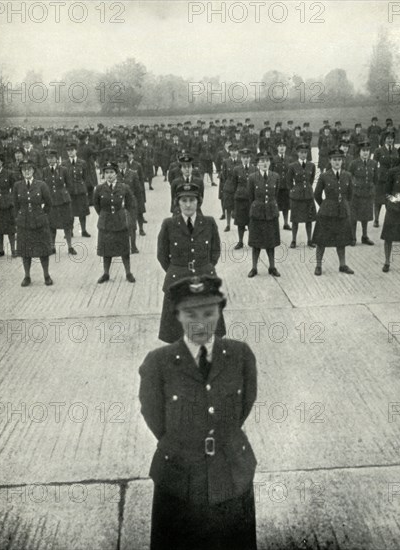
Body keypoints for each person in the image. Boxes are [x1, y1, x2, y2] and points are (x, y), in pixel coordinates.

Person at [139, 274, 258, 550]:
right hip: (179, 480)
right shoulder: (158, 363)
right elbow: (154, 416)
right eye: (190, 313)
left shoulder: (240, 355)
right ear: (177, 316)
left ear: (219, 313)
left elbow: (244, 405)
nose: (200, 322)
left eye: (209, 312)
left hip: (231, 475)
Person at [157, 182, 225, 343]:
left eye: (192, 200)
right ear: (177, 203)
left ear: (198, 202)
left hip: (204, 276)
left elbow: (215, 251)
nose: (188, 204)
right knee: (176, 331)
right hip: (177, 277)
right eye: (184, 200)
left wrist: (205, 267)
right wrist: (177, 269)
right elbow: (162, 255)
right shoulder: (169, 224)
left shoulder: (208, 222)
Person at [312, 149, 354, 276]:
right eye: (334, 160)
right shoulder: (324, 176)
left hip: (342, 212)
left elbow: (350, 195)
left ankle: (342, 265)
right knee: (321, 240)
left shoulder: (347, 175)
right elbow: (317, 194)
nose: (337, 162)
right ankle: (318, 265)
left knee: (341, 240)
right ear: (330, 161)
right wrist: (326, 205)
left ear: (342, 161)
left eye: (339, 160)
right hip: (326, 213)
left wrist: (344, 206)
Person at [93, 161, 135, 283]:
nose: (109, 175)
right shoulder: (99, 189)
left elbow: (130, 204)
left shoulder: (124, 187)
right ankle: (106, 273)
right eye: (106, 173)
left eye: (111, 172)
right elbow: (97, 206)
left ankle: (128, 272)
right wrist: (104, 216)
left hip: (120, 222)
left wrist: (126, 218)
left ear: (116, 174)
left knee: (124, 248)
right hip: (106, 223)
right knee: (106, 249)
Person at [13, 160, 54, 286]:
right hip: (24, 223)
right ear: (21, 171)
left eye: (29, 169)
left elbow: (49, 203)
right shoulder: (17, 186)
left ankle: (46, 275)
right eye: (24, 169)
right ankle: (27, 276)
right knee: (25, 251)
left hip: (39, 223)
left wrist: (41, 215)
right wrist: (18, 219)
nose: (26, 171)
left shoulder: (41, 185)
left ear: (33, 171)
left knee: (43, 250)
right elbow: (15, 205)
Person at [247, 151, 281, 277]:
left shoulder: (275, 176)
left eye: (267, 160)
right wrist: (257, 207)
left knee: (271, 242)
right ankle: (254, 268)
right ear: (257, 163)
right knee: (256, 242)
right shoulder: (252, 177)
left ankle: (272, 267)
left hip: (271, 213)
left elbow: (275, 194)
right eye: (262, 161)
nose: (265, 163)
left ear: (270, 162)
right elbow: (251, 197)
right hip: (257, 213)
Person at [42, 149, 76, 255]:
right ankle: (52, 247)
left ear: (56, 159)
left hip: (63, 201)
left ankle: (70, 247)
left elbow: (70, 185)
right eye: (48, 158)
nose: (50, 160)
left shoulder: (64, 170)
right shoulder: (44, 170)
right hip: (51, 201)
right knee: (51, 225)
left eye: (52, 158)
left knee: (67, 224)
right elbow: (43, 186)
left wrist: (65, 196)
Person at [287, 143, 317, 248]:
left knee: (309, 219)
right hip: (297, 197)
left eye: (305, 152)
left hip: (308, 196)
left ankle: (310, 240)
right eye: (301, 152)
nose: (303, 154)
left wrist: (307, 188)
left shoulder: (311, 165)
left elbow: (312, 179)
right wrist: (295, 190)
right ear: (298, 153)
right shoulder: (292, 166)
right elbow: (289, 181)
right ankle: (294, 240)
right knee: (295, 219)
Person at [348, 141, 378, 246]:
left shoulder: (373, 163)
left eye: (367, 151)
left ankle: (364, 236)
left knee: (365, 216)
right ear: (359, 152)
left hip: (368, 194)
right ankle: (352, 237)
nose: (365, 153)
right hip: (356, 194)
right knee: (354, 217)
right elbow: (349, 176)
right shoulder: (354, 163)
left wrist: (372, 190)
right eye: (363, 151)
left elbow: (375, 179)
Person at [63, 141, 91, 237]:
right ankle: (70, 231)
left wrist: (84, 188)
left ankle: (83, 230)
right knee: (69, 213)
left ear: (76, 151)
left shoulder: (82, 163)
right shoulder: (64, 163)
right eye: (68, 150)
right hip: (69, 192)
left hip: (80, 190)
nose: (70, 152)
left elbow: (85, 177)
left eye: (72, 150)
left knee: (82, 212)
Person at [373, 131, 399, 227]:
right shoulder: (378, 151)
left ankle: (390, 220)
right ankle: (376, 220)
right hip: (381, 179)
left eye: (391, 138)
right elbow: (374, 165)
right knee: (378, 200)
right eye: (388, 138)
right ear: (384, 140)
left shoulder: (396, 151)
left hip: (392, 179)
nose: (390, 140)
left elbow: (398, 164)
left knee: (391, 200)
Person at [232, 148, 256, 249]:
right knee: (240, 222)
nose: (245, 159)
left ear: (250, 158)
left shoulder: (254, 169)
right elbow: (234, 185)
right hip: (240, 199)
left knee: (251, 221)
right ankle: (240, 241)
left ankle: (252, 241)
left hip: (250, 199)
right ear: (241, 158)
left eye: (247, 157)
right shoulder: (236, 169)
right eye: (244, 158)